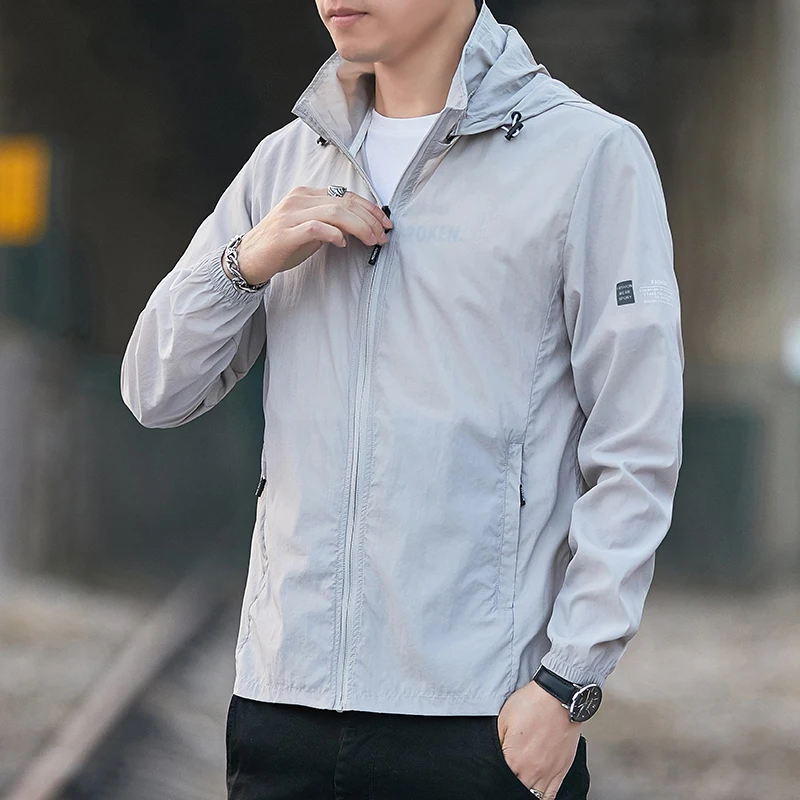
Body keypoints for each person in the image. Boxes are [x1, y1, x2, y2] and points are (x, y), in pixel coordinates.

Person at [120, 0, 684, 797]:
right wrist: (243, 263)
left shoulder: (589, 156)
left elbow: (636, 445)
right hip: (284, 711)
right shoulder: (287, 163)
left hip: (479, 722)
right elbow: (155, 390)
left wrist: (569, 681)